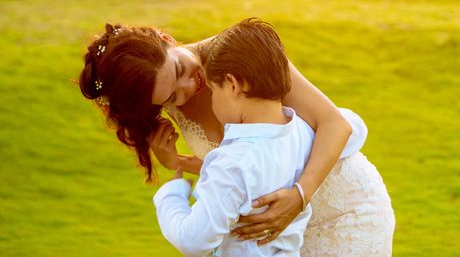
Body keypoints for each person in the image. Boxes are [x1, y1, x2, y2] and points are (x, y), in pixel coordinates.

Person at [79, 21, 394, 256]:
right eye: (172, 97)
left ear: (166, 39)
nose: (189, 87)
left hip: (344, 209)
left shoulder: (240, 52)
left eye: (178, 70)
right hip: (281, 239)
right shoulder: (170, 104)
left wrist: (299, 197)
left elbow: (335, 125)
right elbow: (247, 169)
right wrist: (178, 163)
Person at [154, 18, 316, 256]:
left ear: (231, 85)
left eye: (213, 91)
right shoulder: (301, 129)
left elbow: (192, 241)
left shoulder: (233, 163)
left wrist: (171, 196)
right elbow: (354, 127)